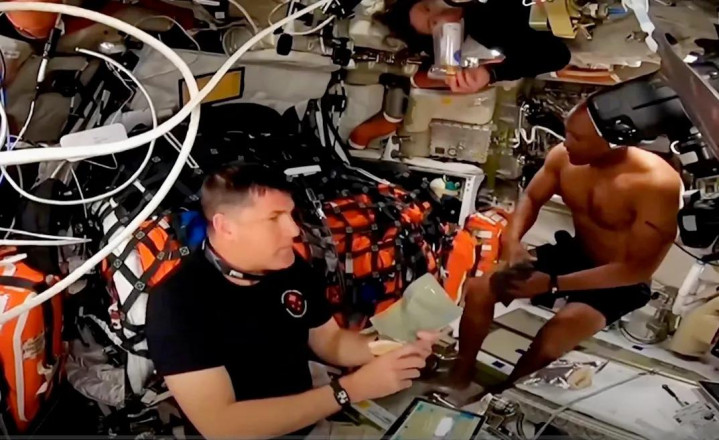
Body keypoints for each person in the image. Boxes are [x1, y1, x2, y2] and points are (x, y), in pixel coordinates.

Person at [145, 163, 437, 439]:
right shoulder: (176, 302)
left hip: (311, 426)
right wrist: (350, 390)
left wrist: (393, 343)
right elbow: (222, 426)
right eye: (274, 218)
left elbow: (331, 342)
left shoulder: (288, 267)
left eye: (290, 214)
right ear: (226, 226)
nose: (294, 230)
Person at [450, 102, 682, 393]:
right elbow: (532, 198)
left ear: (613, 141)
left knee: (551, 340)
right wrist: (512, 243)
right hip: (575, 253)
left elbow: (637, 269)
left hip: (618, 279)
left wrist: (552, 284)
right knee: (481, 289)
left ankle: (503, 395)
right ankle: (460, 375)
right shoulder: (564, 157)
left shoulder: (656, 184)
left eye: (578, 138)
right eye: (567, 133)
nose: (566, 143)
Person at [375, 0, 572, 94]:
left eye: (428, 7)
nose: (439, 13)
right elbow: (557, 56)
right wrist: (491, 73)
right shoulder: (485, 27)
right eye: (433, 23)